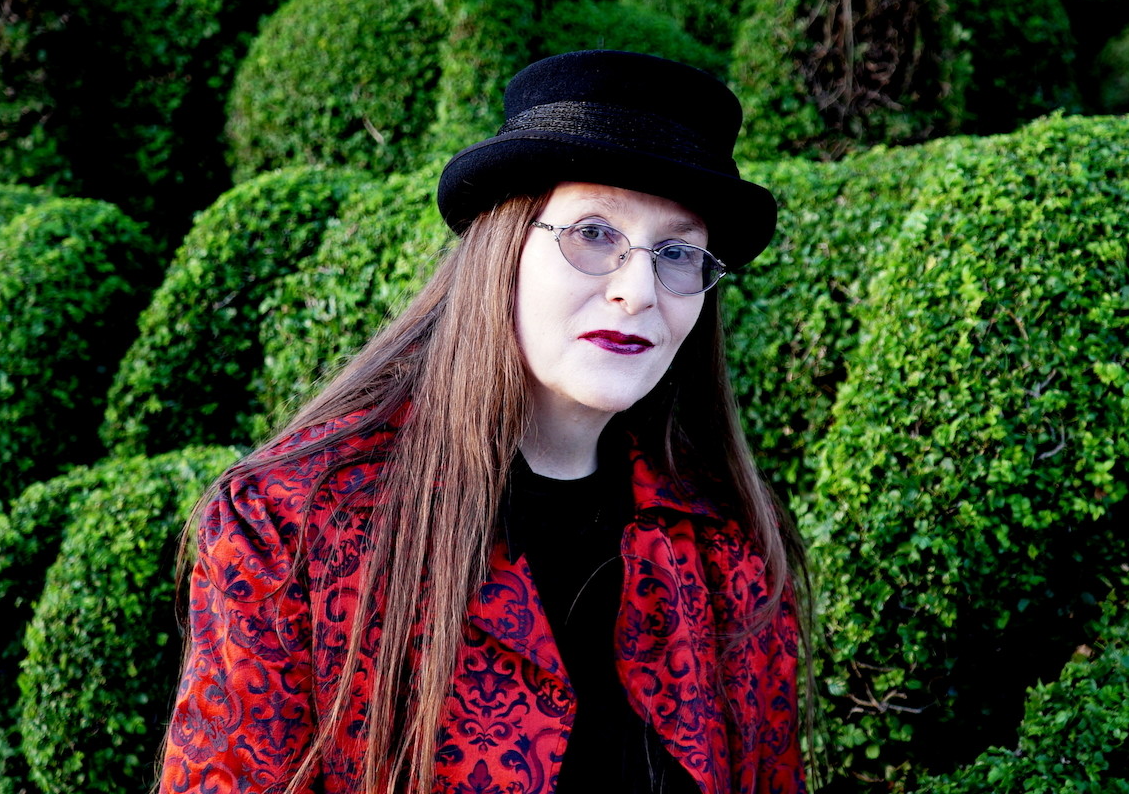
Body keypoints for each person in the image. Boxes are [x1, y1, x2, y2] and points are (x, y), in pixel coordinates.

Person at [159, 50, 806, 794]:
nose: (638, 290)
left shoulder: (730, 548)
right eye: (594, 233)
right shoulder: (294, 523)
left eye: (677, 251)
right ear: (504, 247)